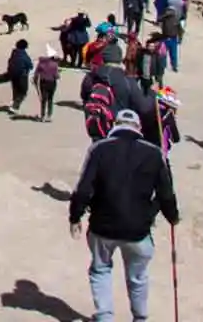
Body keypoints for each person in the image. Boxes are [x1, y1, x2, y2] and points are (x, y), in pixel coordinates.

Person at [70, 108, 181, 322]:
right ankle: (139, 319)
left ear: (114, 125)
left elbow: (83, 189)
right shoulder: (154, 153)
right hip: (138, 229)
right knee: (137, 278)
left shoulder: (98, 149)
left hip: (102, 226)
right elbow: (166, 193)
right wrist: (172, 216)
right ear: (138, 128)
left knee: (100, 270)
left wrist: (75, 216)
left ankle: (105, 317)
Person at [35, 44, 61, 122]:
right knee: (50, 99)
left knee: (43, 100)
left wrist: (35, 81)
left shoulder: (41, 63)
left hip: (43, 83)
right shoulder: (54, 65)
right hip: (52, 83)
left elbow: (36, 74)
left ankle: (42, 116)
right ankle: (49, 115)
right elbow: (56, 76)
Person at [8, 38, 34, 114]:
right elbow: (30, 65)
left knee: (15, 89)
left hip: (12, 74)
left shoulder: (14, 53)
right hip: (22, 75)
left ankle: (14, 102)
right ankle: (14, 106)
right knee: (23, 92)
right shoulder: (24, 55)